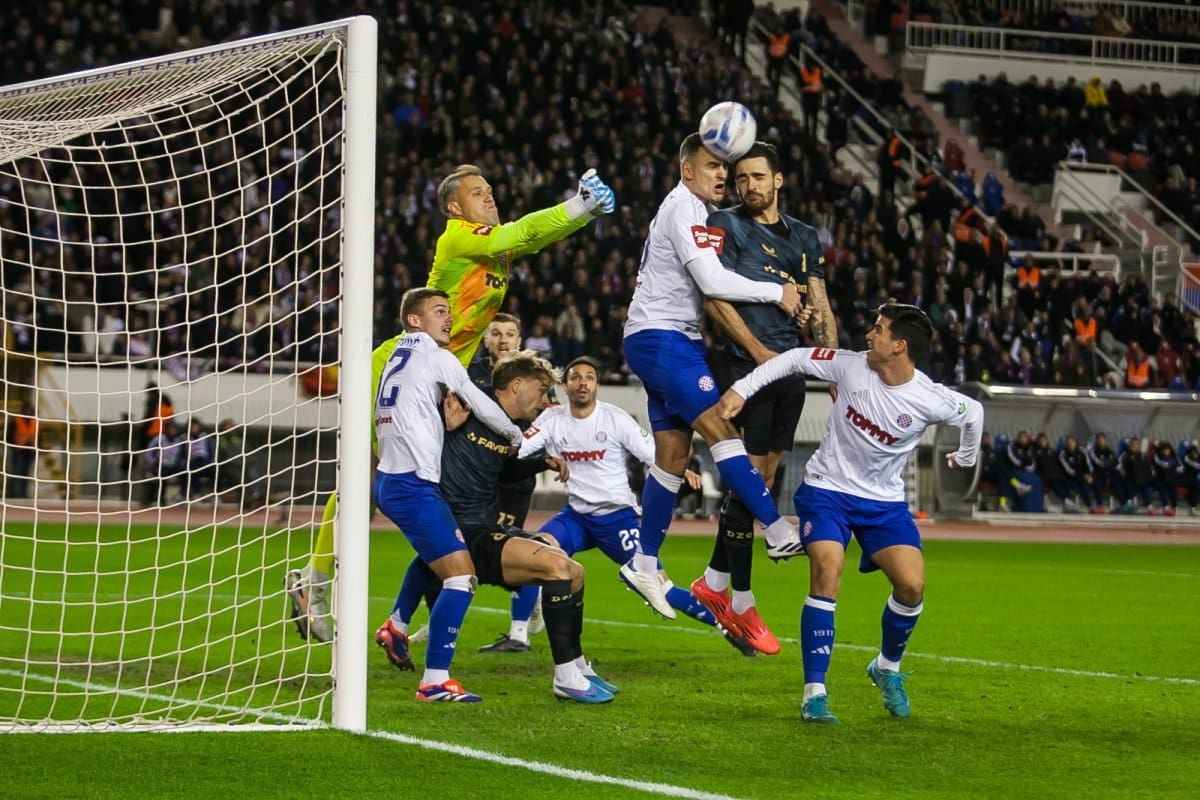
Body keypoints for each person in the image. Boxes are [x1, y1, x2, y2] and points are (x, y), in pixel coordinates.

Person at [286, 165, 616, 642]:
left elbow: (532, 239)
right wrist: (580, 204)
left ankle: (410, 604)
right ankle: (317, 583)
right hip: (396, 371)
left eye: (491, 191)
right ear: (455, 208)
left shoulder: (492, 255)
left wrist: (583, 216)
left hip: (437, 383)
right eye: (478, 194)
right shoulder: (457, 238)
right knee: (365, 478)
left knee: (409, 488)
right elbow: (521, 231)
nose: (490, 198)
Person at [717, 302, 984, 724]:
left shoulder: (929, 398)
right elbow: (793, 359)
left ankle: (886, 669)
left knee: (912, 585)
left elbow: (975, 413)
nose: (869, 335)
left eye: (878, 330)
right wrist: (742, 389)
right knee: (828, 568)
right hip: (827, 491)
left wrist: (966, 456)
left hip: (884, 503)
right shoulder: (849, 366)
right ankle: (814, 693)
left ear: (899, 346)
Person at [621, 132, 805, 619]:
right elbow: (711, 282)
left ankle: (643, 561)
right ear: (687, 171)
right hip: (662, 338)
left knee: (672, 457)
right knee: (722, 428)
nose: (722, 175)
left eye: (726, 167)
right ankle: (778, 528)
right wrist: (776, 292)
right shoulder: (684, 208)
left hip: (662, 337)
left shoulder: (694, 210)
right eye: (712, 167)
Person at [377, 349, 617, 703]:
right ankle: (562, 676)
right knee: (558, 566)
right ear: (517, 385)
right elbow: (419, 432)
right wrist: (443, 427)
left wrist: (541, 462)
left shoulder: (510, 432)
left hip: (482, 528)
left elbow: (501, 469)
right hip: (462, 533)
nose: (544, 400)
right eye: (540, 390)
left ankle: (578, 667)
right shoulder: (464, 405)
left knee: (574, 571)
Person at [695, 141, 838, 655]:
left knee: (767, 480)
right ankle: (739, 599)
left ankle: (713, 581)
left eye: (758, 177)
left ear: (778, 180)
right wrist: (756, 351)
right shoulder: (727, 226)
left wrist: (835, 367)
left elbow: (819, 303)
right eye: (741, 179)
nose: (748, 187)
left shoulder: (804, 236)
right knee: (749, 478)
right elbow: (713, 296)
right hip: (744, 366)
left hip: (791, 368)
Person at [517, 356, 753, 653]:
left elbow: (650, 452)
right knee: (532, 552)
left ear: (597, 385)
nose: (583, 383)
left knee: (662, 588)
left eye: (589, 377)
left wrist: (682, 469)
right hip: (576, 517)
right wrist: (542, 459)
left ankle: (727, 626)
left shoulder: (614, 418)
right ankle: (525, 620)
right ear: (565, 387)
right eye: (576, 377)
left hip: (618, 519)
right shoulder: (552, 420)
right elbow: (519, 449)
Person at [372, 287, 523, 703]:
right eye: (439, 311)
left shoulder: (395, 359)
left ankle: (397, 626)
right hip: (411, 484)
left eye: (449, 311)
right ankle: (435, 680)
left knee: (435, 555)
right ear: (415, 320)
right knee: (461, 576)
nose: (449, 318)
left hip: (395, 478)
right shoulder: (437, 357)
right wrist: (515, 434)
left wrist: (444, 427)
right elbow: (483, 404)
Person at [467, 312, 543, 652]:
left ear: (519, 339)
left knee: (509, 548)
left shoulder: (533, 376)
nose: (502, 340)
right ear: (485, 340)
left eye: (509, 334)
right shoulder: (472, 374)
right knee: (464, 548)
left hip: (512, 481)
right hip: (478, 477)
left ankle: (519, 634)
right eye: (495, 333)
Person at [6, 400, 38, 499]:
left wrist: (36, 449)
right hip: (18, 450)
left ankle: (23, 494)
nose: (28, 412)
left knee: (26, 473)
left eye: (30, 410)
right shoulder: (16, 421)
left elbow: (37, 437)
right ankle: (11, 493)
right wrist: (13, 446)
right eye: (26, 410)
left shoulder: (34, 422)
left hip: (29, 452)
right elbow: (9, 435)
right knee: (16, 472)